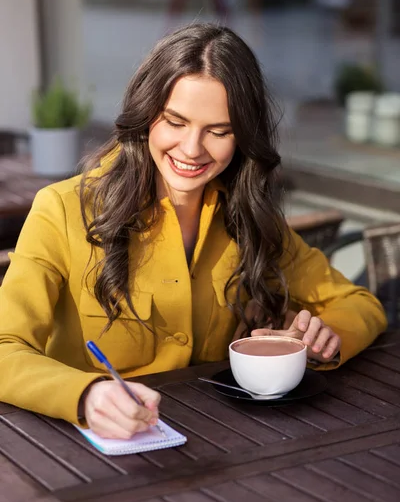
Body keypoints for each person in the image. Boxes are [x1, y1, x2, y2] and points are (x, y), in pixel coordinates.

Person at [0, 23, 386, 440]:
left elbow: (360, 304)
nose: (191, 149)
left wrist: (323, 340)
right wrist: (84, 395)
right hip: (91, 448)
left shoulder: (250, 218)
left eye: (219, 132)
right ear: (147, 114)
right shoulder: (61, 209)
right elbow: (5, 347)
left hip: (222, 442)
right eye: (175, 122)